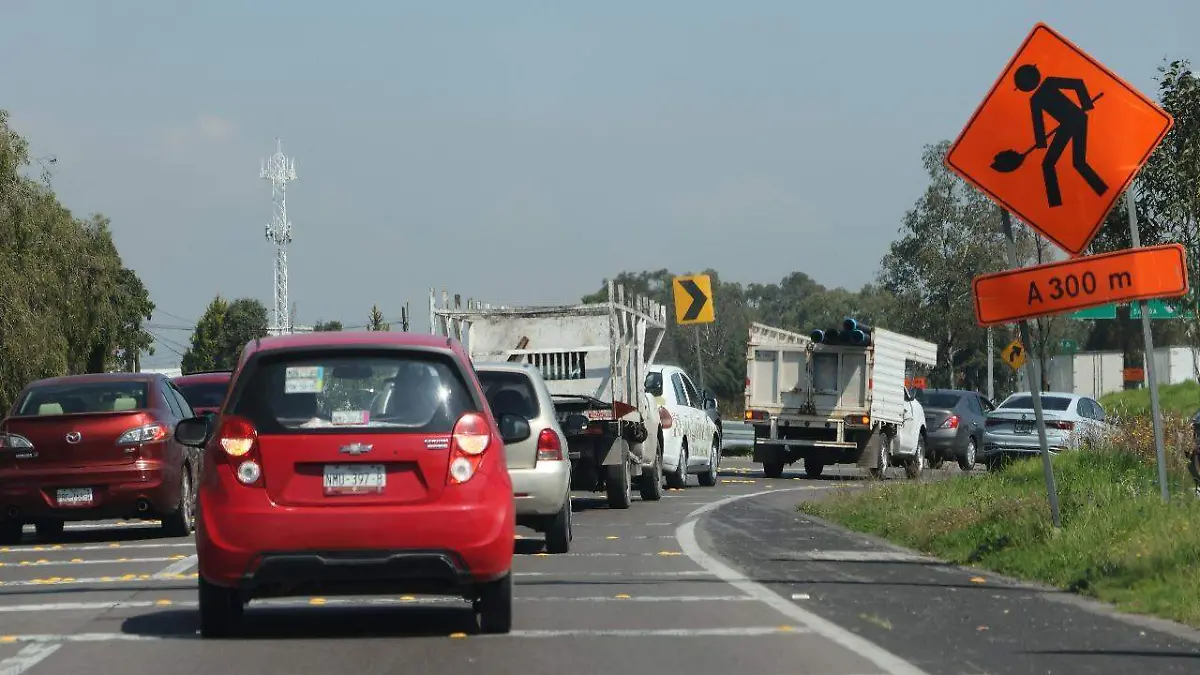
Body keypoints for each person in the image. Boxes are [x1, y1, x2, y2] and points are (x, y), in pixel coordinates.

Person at [1014, 64, 1109, 208]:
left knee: (1051, 164)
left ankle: (1056, 204)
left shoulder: (1043, 90)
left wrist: (1087, 103)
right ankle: (1101, 190)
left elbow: (1077, 83)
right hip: (1074, 121)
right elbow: (1038, 125)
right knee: (1077, 163)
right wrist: (1086, 103)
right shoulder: (1042, 92)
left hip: (1074, 120)